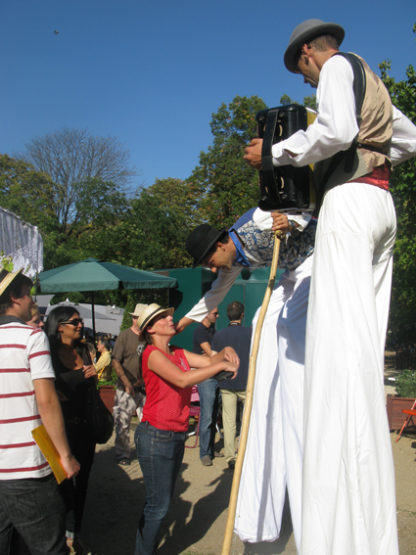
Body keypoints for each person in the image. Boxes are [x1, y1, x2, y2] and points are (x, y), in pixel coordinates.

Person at [244, 18, 416, 555]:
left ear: (310, 55)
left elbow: (337, 131)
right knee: (361, 347)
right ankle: (361, 505)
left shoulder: (339, 66)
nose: (308, 82)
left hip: (350, 203)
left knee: (337, 351)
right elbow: (407, 140)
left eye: (304, 72)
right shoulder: (374, 85)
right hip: (382, 205)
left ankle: (338, 520)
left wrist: (272, 154)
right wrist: (371, 153)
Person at [177, 207, 315, 548]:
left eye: (210, 257)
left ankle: (297, 376)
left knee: (281, 324)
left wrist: (291, 221)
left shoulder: (256, 220)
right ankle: (272, 377)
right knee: (262, 324)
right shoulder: (232, 261)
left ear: (223, 242)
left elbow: (301, 206)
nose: (212, 266)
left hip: (315, 261)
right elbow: (214, 296)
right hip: (290, 272)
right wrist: (184, 322)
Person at [133, 303, 239, 555]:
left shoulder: (177, 352)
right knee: (158, 505)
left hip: (174, 435)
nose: (170, 319)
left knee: (160, 503)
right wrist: (221, 366)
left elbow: (208, 360)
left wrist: (224, 350)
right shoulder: (151, 354)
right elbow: (183, 379)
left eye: (169, 315)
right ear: (151, 328)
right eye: (162, 318)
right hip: (156, 435)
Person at [0, 269, 80, 555]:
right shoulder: (31, 338)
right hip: (26, 467)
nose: (33, 301)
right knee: (48, 547)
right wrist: (66, 456)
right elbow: (46, 402)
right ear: (14, 297)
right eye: (28, 294)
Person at [45, 305, 98, 553]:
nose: (79, 325)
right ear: (59, 326)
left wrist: (93, 375)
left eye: (80, 321)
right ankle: (60, 534)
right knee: (62, 486)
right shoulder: (48, 355)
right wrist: (80, 377)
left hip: (86, 426)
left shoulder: (84, 350)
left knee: (83, 482)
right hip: (61, 431)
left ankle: (74, 531)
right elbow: (52, 390)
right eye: (74, 321)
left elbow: (86, 387)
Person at [211, 301, 251, 469]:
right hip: (246, 382)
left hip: (227, 383)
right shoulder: (251, 333)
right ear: (242, 315)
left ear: (228, 315)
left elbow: (214, 358)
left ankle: (230, 457)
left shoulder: (219, 335)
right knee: (247, 420)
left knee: (228, 422)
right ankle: (244, 453)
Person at [112, 303, 146, 465]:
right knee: (123, 423)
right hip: (125, 387)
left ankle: (144, 451)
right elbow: (115, 360)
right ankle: (122, 454)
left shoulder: (147, 337)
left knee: (147, 422)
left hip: (143, 387)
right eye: (136, 317)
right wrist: (126, 382)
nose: (137, 320)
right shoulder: (124, 336)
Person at [192, 306, 222, 466]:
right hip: (206, 378)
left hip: (215, 376)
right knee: (207, 416)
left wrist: (215, 354)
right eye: (215, 313)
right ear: (206, 313)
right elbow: (212, 354)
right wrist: (214, 354)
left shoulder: (212, 331)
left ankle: (209, 449)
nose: (218, 315)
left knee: (213, 415)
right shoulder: (200, 331)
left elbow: (214, 354)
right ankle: (204, 453)